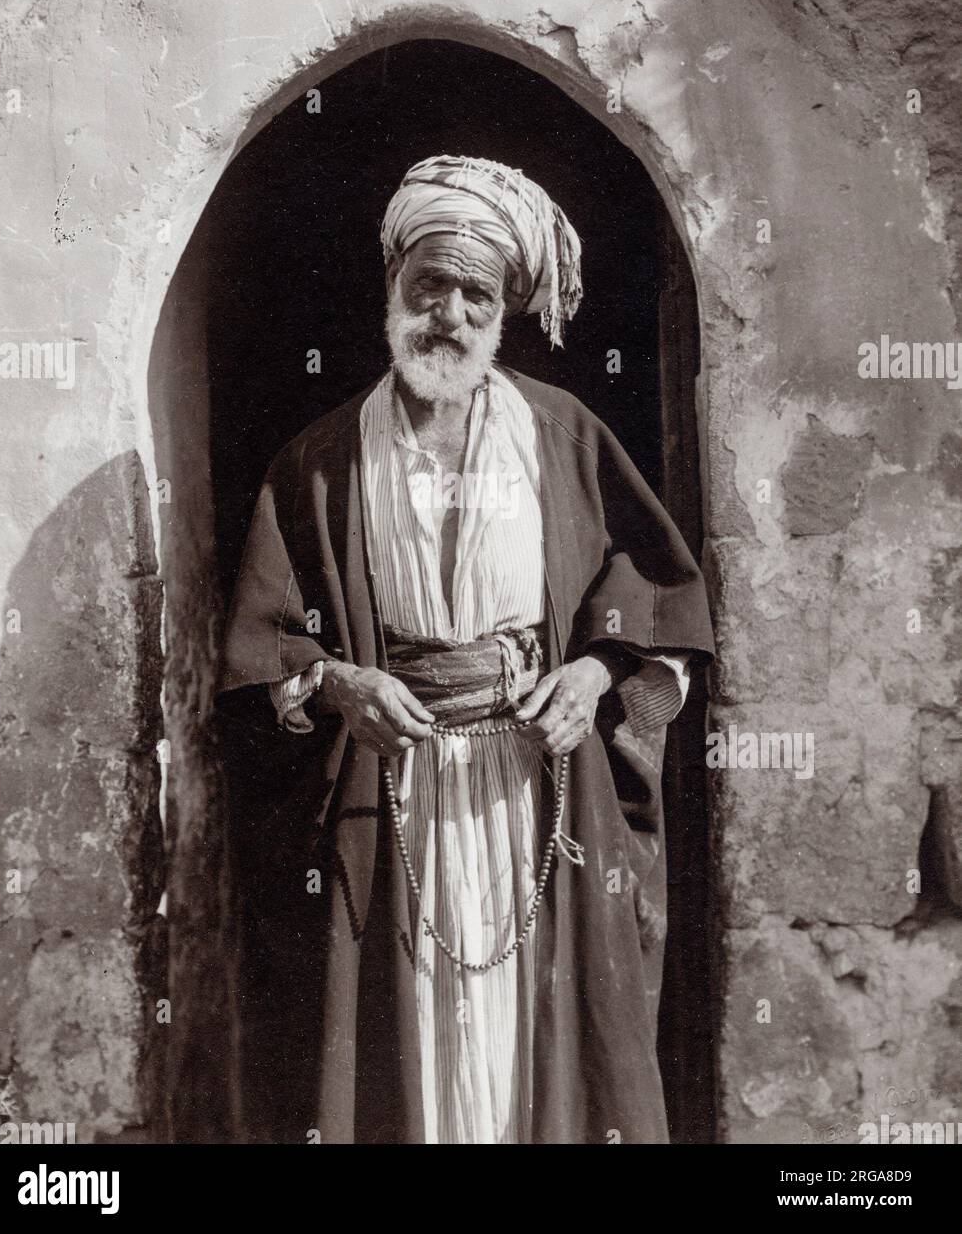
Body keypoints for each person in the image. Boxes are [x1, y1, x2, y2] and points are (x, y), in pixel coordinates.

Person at [219, 154, 715, 1144]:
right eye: (429, 284)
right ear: (392, 286)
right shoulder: (320, 460)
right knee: (401, 1068)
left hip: (535, 790)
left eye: (473, 292)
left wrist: (595, 670)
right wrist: (338, 685)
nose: (447, 310)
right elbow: (259, 652)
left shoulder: (561, 435)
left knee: (534, 1050)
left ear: (507, 309)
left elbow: (656, 597)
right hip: (387, 795)